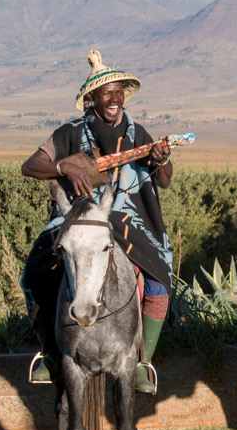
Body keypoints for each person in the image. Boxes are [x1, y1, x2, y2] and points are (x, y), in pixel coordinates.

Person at [20, 50, 174, 394]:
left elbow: (164, 181)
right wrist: (64, 167)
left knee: (159, 280)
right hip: (80, 221)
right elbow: (30, 165)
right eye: (108, 93)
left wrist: (162, 159)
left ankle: (141, 362)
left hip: (135, 222)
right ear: (91, 99)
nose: (116, 99)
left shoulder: (140, 133)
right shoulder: (69, 133)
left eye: (120, 92)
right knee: (35, 273)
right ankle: (48, 353)